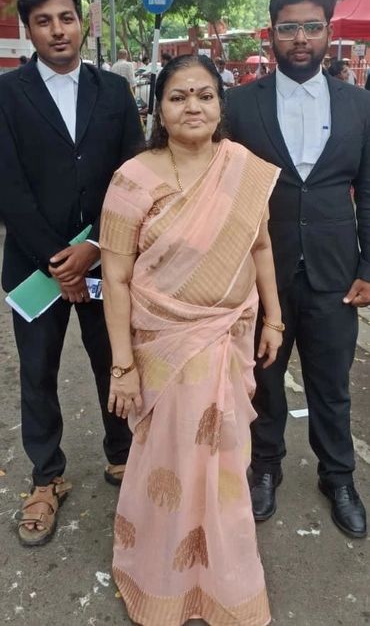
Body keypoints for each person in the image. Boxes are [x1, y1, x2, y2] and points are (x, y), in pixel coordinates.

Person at [100, 54, 282, 625]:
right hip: (165, 348)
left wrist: (274, 319)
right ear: (159, 109)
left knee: (225, 466)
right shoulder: (133, 178)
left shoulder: (242, 168)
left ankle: (222, 580)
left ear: (221, 104)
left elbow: (260, 247)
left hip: (227, 340)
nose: (193, 107)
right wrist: (123, 367)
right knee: (169, 463)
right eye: (178, 97)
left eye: (205, 95)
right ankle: (162, 581)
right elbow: (116, 278)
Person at [0, 0, 145, 546]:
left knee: (114, 361)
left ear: (82, 22)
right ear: (29, 30)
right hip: (35, 270)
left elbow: (133, 176)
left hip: (107, 262)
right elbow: (8, 186)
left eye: (66, 18)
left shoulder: (114, 91)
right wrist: (60, 262)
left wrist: (96, 247)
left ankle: (122, 455)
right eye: (43, 21)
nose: (57, 30)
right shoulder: (7, 95)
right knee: (38, 372)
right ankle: (46, 478)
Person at [225, 0, 370, 539]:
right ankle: (265, 468)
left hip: (336, 273)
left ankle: (339, 477)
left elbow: (368, 190)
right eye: (289, 28)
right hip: (262, 272)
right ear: (272, 34)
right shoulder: (240, 105)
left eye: (312, 26)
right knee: (263, 378)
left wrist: (369, 267)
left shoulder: (359, 105)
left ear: (328, 32)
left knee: (331, 384)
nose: (301, 38)